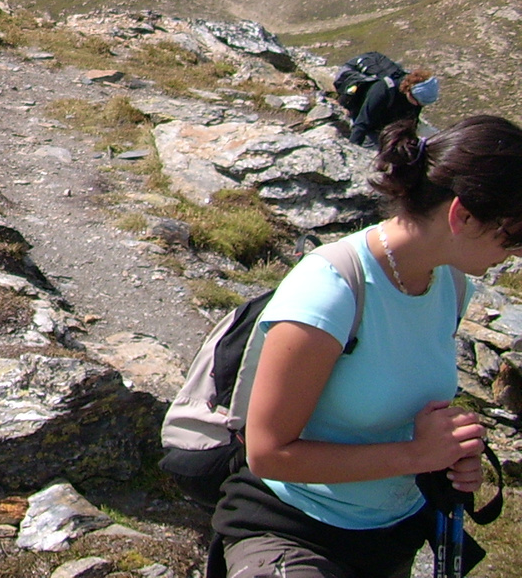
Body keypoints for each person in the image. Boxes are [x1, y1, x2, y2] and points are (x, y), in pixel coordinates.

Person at [208, 115, 522, 578]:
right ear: (462, 216)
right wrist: (418, 456)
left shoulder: (450, 283)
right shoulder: (332, 289)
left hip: (389, 540)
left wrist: (450, 452)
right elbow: (267, 453)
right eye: (513, 234)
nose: (515, 252)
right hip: (293, 535)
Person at [349, 68, 438, 148]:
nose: (419, 106)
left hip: (391, 124)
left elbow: (411, 123)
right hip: (371, 126)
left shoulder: (416, 99)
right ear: (409, 91)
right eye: (419, 102)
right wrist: (353, 149)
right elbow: (362, 124)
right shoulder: (382, 91)